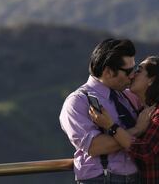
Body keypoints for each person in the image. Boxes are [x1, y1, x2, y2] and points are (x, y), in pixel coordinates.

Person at [90, 56, 159, 184]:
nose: (132, 75)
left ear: (151, 80)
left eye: (139, 70)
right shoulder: (145, 112)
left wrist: (111, 126)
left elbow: (145, 151)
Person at [59, 38, 152, 184]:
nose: (133, 75)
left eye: (134, 69)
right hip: (102, 179)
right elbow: (96, 146)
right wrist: (138, 129)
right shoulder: (78, 102)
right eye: (128, 71)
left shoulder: (128, 96)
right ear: (108, 71)